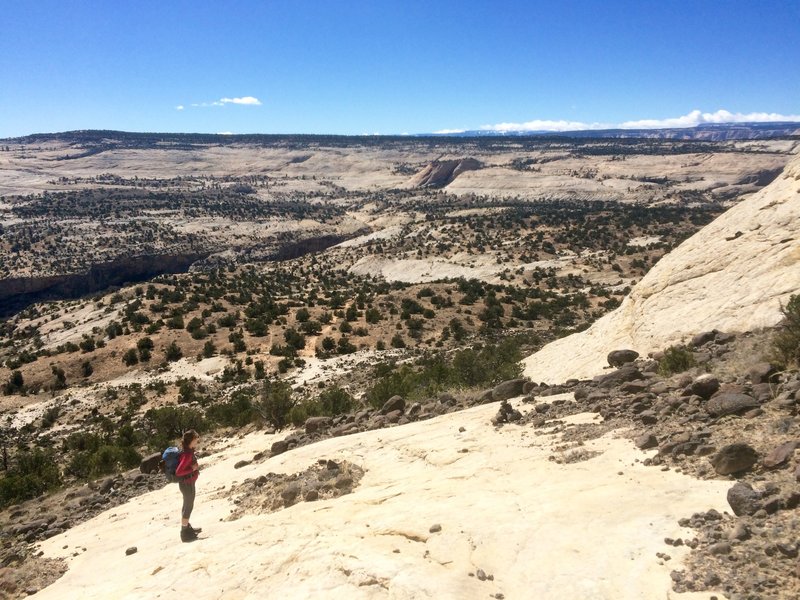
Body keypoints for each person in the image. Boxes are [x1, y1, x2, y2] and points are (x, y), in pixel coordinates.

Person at [175, 429, 202, 542]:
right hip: (187, 484)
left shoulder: (188, 451)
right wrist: (192, 469)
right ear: (191, 440)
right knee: (188, 506)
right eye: (196, 439)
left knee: (187, 505)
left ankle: (186, 527)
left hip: (188, 483)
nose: (197, 441)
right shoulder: (187, 454)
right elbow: (179, 472)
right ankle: (184, 533)